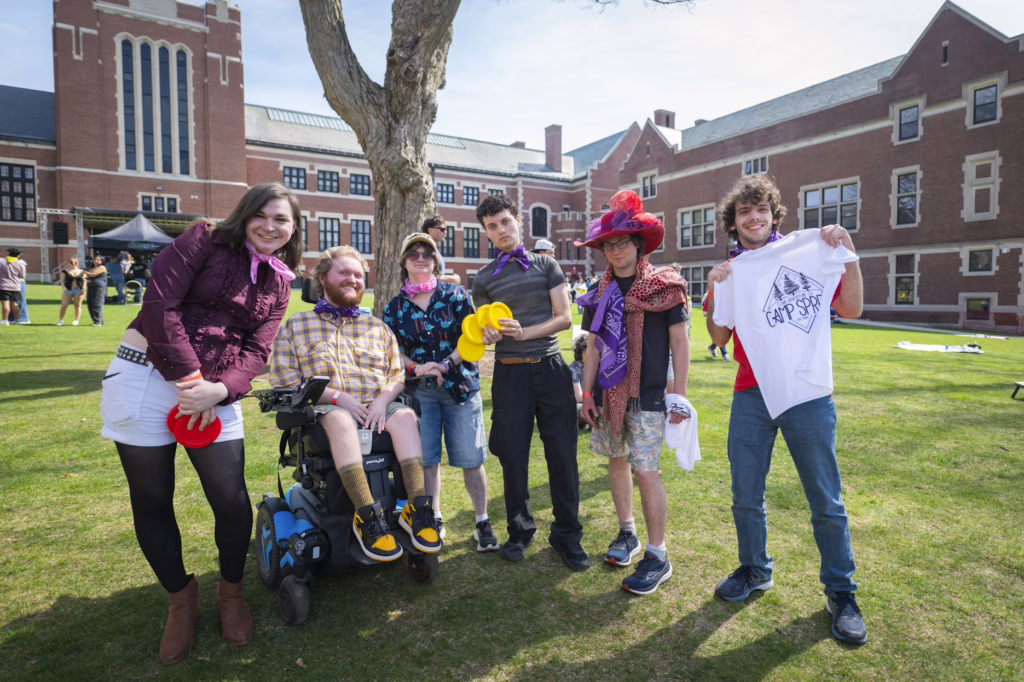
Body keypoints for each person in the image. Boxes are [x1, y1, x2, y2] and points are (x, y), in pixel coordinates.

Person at [100, 183, 301, 665]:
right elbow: (160, 305)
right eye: (264, 215)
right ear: (246, 213)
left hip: (214, 392)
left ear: (294, 230)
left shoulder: (279, 283)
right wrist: (192, 379)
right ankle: (180, 599)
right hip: (145, 376)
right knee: (150, 499)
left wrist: (221, 390)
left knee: (231, 503)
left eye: (283, 221)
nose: (271, 227)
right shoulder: (202, 239)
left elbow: (258, 350)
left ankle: (231, 592)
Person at [705, 175, 867, 644]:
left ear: (774, 215)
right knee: (744, 493)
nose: (752, 218)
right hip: (750, 394)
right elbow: (719, 339)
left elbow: (852, 309)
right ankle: (756, 569)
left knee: (826, 499)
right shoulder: (735, 270)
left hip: (807, 392)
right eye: (743, 212)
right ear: (733, 223)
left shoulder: (810, 251)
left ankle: (842, 592)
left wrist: (847, 255)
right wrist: (716, 290)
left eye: (760, 210)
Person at [270, 245, 442, 564]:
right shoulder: (296, 326)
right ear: (322, 279)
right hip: (323, 411)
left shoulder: (377, 328)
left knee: (405, 415)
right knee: (339, 419)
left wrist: (383, 401)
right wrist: (336, 397)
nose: (353, 279)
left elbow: (395, 375)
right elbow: (286, 379)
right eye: (344, 273)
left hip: (377, 407)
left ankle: (418, 510)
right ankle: (367, 516)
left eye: (359, 275)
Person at [577, 190, 691, 595]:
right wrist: (587, 394)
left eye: (622, 242)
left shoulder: (665, 288)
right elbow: (593, 347)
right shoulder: (598, 294)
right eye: (609, 244)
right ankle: (628, 533)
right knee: (617, 461)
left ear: (638, 244)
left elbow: (680, 342)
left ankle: (658, 555)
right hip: (609, 395)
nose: (616, 250)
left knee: (646, 471)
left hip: (649, 396)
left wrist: (680, 397)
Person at [471, 193, 587, 570]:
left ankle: (567, 535)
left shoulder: (546, 264)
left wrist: (526, 333)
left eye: (505, 221)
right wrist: (489, 336)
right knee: (513, 456)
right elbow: (484, 329)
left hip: (552, 368)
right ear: (486, 232)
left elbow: (565, 317)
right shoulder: (484, 280)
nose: (501, 230)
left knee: (562, 454)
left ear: (518, 220)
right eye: (492, 226)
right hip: (510, 375)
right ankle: (520, 531)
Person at [383, 233, 499, 552]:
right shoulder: (394, 308)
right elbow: (393, 351)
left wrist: (445, 363)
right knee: (427, 460)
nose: (421, 257)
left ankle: (482, 522)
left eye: (428, 253)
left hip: (460, 386)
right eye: (414, 253)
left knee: (471, 459)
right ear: (404, 261)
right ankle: (433, 517)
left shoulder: (457, 295)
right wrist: (418, 368)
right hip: (421, 392)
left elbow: (471, 337)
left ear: (435, 261)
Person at [421, 215, 461, 285]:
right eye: (442, 229)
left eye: (446, 229)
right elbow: (424, 277)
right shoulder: (423, 251)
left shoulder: (434, 250)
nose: (445, 232)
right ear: (430, 230)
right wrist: (450, 279)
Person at [0, 247, 27, 325]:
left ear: (8, 253)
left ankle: (5, 320)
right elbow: (23, 276)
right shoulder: (20, 264)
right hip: (16, 286)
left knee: (5, 303)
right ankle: (17, 319)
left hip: (4, 286)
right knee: (14, 303)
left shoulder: (1, 261)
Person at [568, 333, 589, 432]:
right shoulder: (573, 369)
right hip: (573, 406)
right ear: (581, 352)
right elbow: (578, 397)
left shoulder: (594, 368)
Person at [700, 291, 729, 362]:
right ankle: (724, 354)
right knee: (720, 333)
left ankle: (712, 347)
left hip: (723, 314)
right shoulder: (714, 289)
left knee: (723, 334)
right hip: (714, 315)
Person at [57, 256, 86, 326]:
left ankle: (76, 320)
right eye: (71, 262)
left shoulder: (82, 271)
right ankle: (61, 320)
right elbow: (62, 281)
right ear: (68, 263)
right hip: (68, 290)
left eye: (75, 262)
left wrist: (83, 289)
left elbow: (85, 281)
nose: (73, 264)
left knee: (78, 306)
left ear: (78, 263)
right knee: (64, 306)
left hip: (78, 290)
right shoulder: (65, 271)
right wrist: (64, 288)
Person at [84, 255, 108, 326]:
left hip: (99, 287)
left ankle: (98, 322)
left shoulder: (102, 267)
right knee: (90, 304)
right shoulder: (91, 268)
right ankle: (97, 321)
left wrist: (83, 272)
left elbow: (93, 275)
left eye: (98, 260)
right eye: (95, 259)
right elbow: (87, 276)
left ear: (102, 261)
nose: (96, 261)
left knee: (97, 304)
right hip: (91, 286)